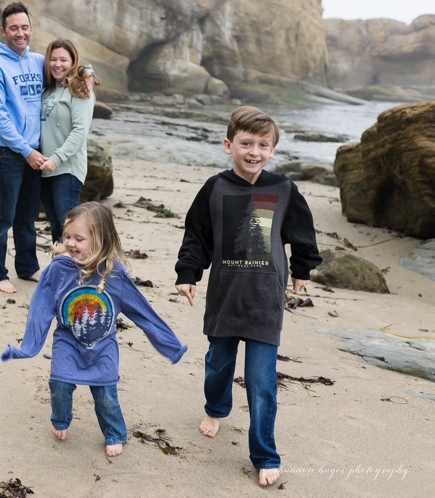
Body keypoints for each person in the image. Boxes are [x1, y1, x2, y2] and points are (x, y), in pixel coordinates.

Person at [175, 106, 320, 487]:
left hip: (265, 299)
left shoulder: (283, 188)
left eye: (263, 144)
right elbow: (197, 235)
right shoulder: (215, 187)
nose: (254, 151)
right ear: (229, 145)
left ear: (272, 150)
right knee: (218, 365)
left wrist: (303, 268)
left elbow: (302, 231)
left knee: (261, 382)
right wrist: (188, 273)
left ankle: (265, 454)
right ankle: (216, 408)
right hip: (224, 295)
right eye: (245, 143)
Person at [1, 202, 187, 457]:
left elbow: (143, 312)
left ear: (100, 240)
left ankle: (114, 433)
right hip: (67, 341)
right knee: (59, 385)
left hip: (103, 347)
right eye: (67, 236)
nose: (71, 243)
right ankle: (61, 418)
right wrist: (28, 347)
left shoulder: (114, 273)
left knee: (106, 395)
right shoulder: (57, 270)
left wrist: (169, 344)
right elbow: (40, 310)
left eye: (79, 238)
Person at [0, 2, 50, 294]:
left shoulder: (37, 61)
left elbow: (65, 71)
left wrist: (87, 75)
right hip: (8, 154)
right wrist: (26, 151)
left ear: (30, 29)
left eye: (24, 27)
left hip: (34, 153)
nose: (20, 33)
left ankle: (27, 267)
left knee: (28, 217)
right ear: (3, 31)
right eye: (14, 28)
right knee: (3, 217)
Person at [38, 39, 99, 247]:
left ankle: (75, 272)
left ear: (73, 62)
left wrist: (56, 159)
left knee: (69, 227)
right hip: (44, 167)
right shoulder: (46, 90)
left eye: (64, 59)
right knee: (56, 225)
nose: (57, 64)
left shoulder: (79, 88)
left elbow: (80, 131)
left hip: (67, 168)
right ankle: (60, 269)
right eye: (53, 59)